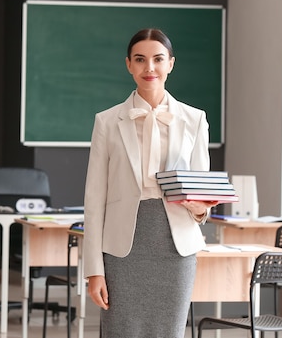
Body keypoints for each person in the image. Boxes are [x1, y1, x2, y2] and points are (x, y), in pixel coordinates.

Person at [83, 28, 219, 337]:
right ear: (128, 64)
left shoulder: (195, 119)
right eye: (140, 60)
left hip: (175, 248)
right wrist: (94, 270)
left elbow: (201, 197)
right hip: (122, 249)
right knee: (121, 332)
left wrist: (200, 209)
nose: (150, 68)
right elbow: (93, 201)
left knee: (168, 332)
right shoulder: (107, 121)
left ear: (171, 63)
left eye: (158, 59)